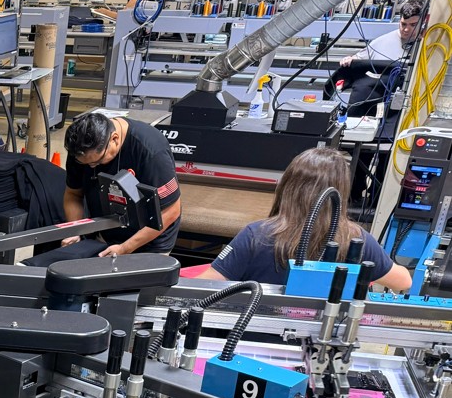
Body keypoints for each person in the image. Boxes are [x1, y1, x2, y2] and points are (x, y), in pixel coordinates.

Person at [197, 147, 411, 290]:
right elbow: (403, 282)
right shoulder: (356, 239)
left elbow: (205, 284)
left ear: (288, 185)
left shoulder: (256, 235)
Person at [25, 111, 182, 267]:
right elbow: (73, 194)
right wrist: (76, 229)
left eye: (97, 162)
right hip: (107, 231)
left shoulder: (151, 150)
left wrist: (125, 248)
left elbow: (171, 211)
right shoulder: (80, 151)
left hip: (149, 241)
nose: (91, 166)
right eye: (86, 164)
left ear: (115, 139)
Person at [340, 0, 423, 66]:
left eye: (413, 25)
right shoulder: (379, 43)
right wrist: (348, 59)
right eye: (403, 24)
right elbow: (357, 59)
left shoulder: (427, 44)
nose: (406, 29)